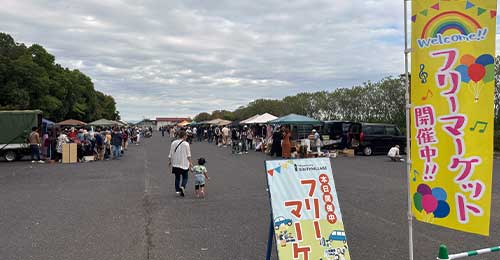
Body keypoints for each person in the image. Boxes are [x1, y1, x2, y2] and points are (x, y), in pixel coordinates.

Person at [169, 131, 193, 197]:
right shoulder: (186, 144)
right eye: (186, 136)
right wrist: (190, 163)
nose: (187, 137)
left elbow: (171, 153)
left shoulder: (173, 142)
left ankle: (177, 191)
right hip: (184, 163)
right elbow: (188, 155)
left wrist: (170, 161)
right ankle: (183, 186)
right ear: (184, 136)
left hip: (175, 163)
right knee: (185, 177)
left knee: (177, 177)